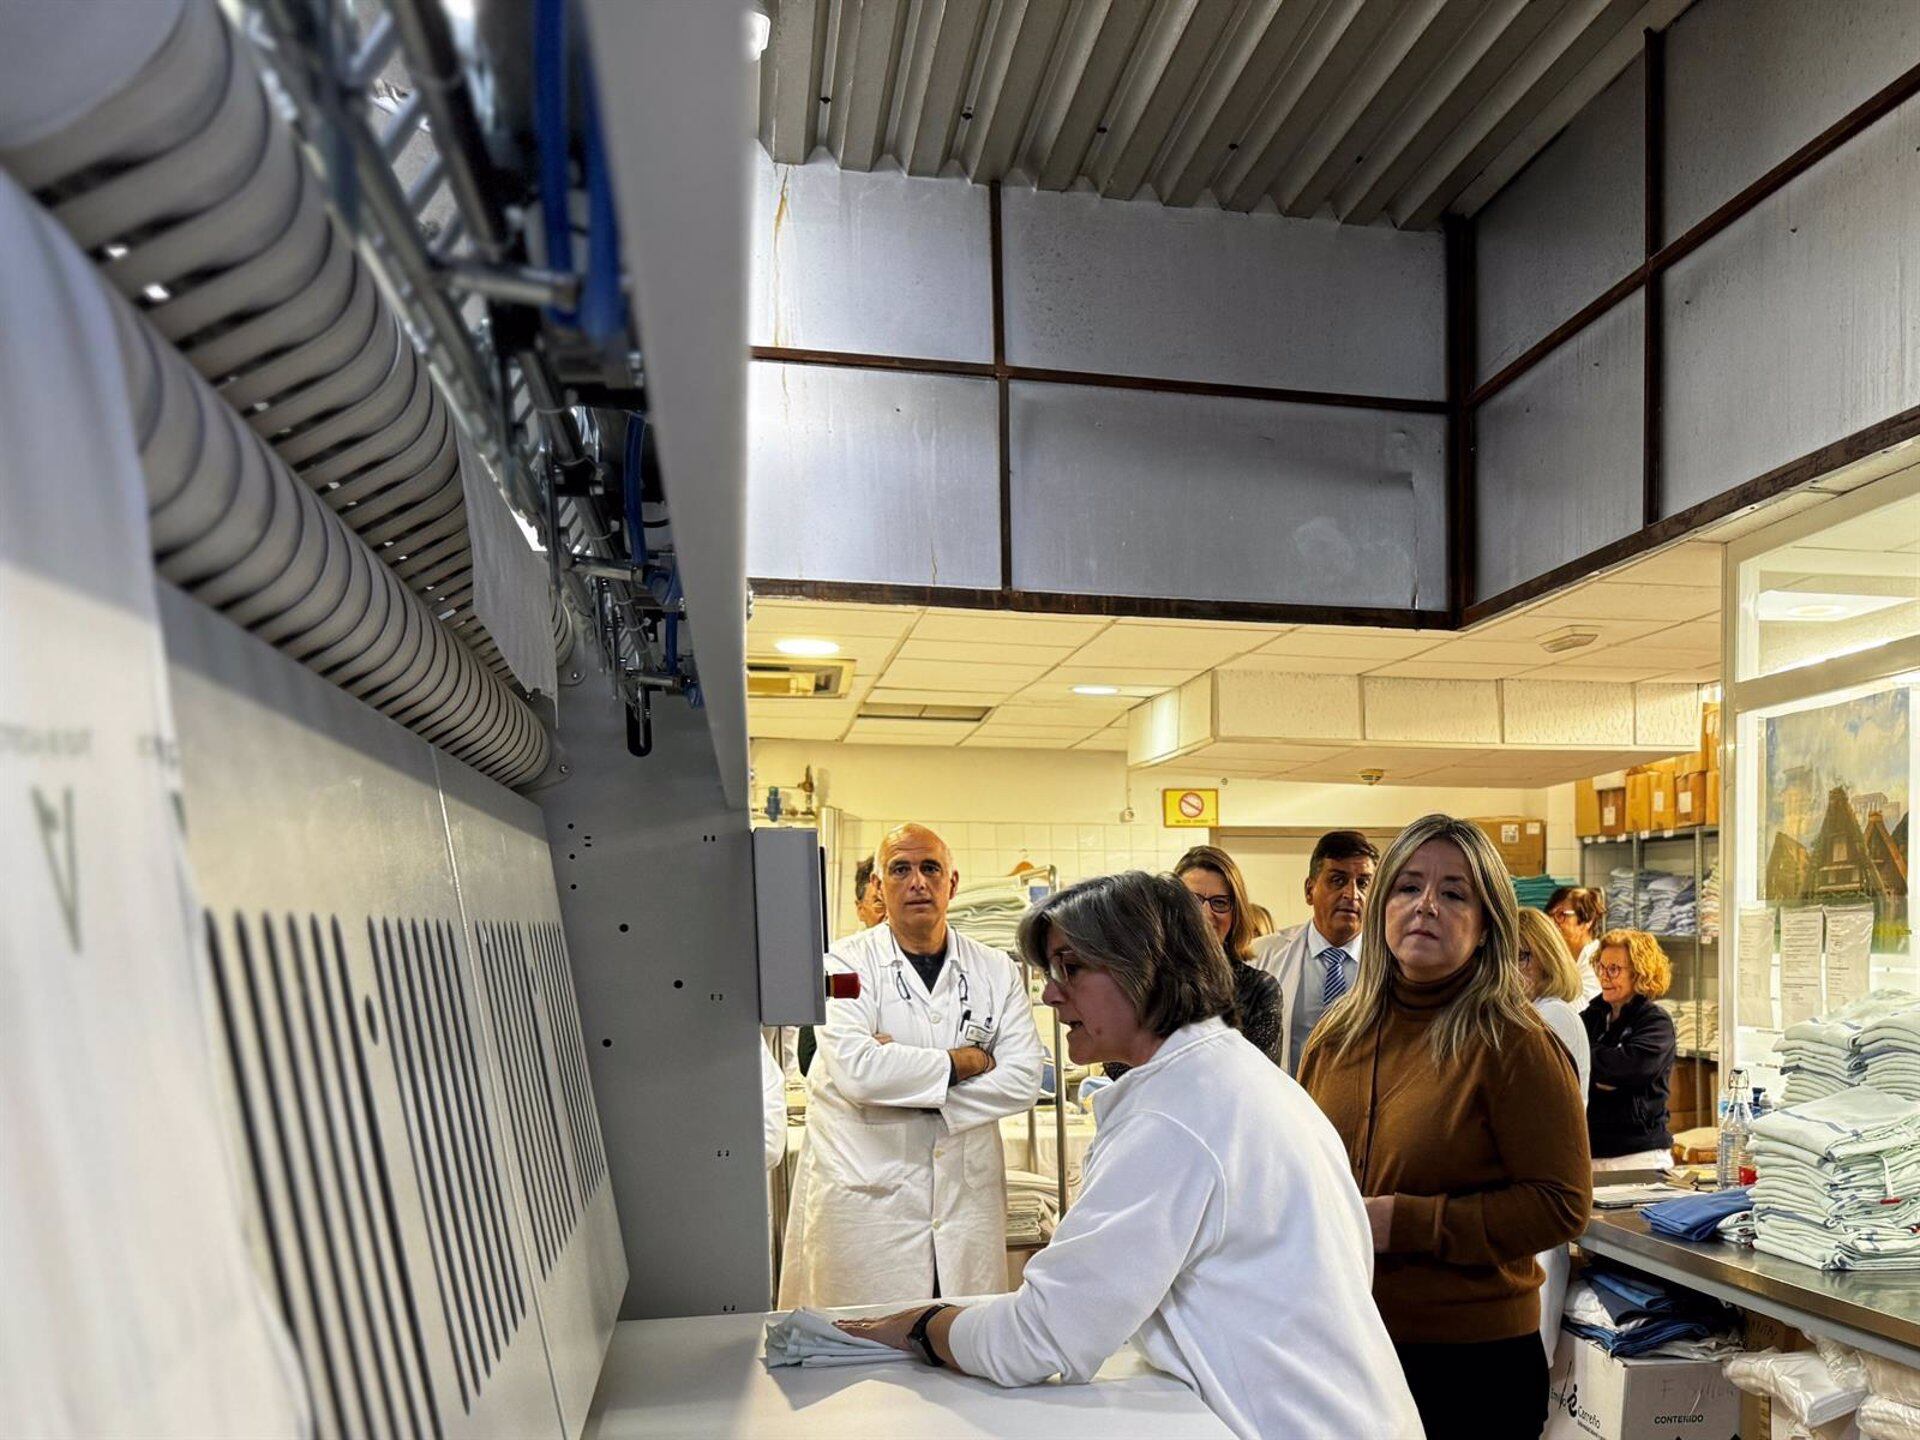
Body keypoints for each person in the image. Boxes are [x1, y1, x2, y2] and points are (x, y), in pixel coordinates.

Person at [836, 871, 1422, 1440]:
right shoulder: (1232, 1076)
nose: (1050, 993)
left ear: (1146, 968)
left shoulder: (1174, 1117)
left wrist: (917, 1325)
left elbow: (1038, 1339)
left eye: (1070, 968)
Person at [1299, 814, 1590, 1440]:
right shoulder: (1335, 1037)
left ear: (1487, 925)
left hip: (1470, 1365)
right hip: (1347, 1347)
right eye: (1407, 887)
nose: (1425, 905)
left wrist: (1404, 1221)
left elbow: (1560, 1206)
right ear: (1381, 909)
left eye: (1454, 893)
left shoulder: (1515, 1044)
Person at [778, 824, 1045, 1308]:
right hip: (869, 1200)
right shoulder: (842, 963)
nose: (917, 881)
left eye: (930, 868)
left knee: (963, 1347)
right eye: (900, 869)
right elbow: (860, 1070)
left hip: (964, 1200)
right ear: (879, 887)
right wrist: (964, 1062)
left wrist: (914, 1089)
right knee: (863, 1355)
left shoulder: (996, 969)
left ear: (952, 884)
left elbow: (1024, 1077)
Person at [1514, 907, 1593, 1363]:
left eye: (1523, 957)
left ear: (1547, 960)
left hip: (1540, 1191)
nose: (1512, 970)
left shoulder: (1553, 1016)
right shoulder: (1528, 1015)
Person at [1249, 830, 1378, 1074]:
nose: (1352, 895)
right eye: (1337, 880)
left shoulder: (1394, 962)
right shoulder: (1263, 956)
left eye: (1363, 883)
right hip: (1287, 1103)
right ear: (1310, 890)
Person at [1171, 846, 1284, 1065]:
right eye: (1192, 901)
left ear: (1236, 914)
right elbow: (1117, 1063)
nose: (1205, 914)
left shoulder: (1259, 990)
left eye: (1220, 902)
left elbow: (1257, 1077)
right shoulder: (1147, 980)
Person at [1582, 928, 1678, 1173]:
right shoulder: (1591, 1017)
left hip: (1639, 1155)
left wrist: (1589, 1064)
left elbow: (1629, 1069)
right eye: (1601, 968)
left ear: (1639, 972)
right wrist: (1603, 1071)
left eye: (1614, 969)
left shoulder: (1655, 1022)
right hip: (1591, 1152)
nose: (1605, 976)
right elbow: (1563, 1056)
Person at [796, 855, 890, 1078]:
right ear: (860, 909)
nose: (888, 914)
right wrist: (861, 1052)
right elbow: (807, 1058)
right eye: (878, 903)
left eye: (894, 903)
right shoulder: (835, 964)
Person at [1545, 885, 1606, 1004]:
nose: (1551, 922)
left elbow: (1584, 1008)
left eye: (1561, 914)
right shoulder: (1559, 956)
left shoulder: (1599, 960)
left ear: (1587, 921)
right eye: (1549, 915)